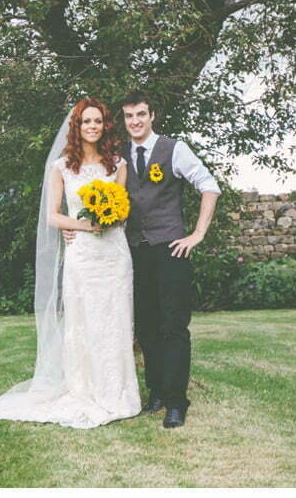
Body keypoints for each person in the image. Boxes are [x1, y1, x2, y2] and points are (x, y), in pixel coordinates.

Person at [0, 97, 141, 429]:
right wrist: (83, 225)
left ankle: (116, 392)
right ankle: (84, 390)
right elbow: (52, 216)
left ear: (105, 125)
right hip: (82, 255)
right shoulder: (62, 166)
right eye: (86, 121)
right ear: (76, 127)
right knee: (83, 323)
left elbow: (122, 211)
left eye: (97, 121)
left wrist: (109, 217)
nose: (92, 127)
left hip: (114, 255)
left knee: (115, 321)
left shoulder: (118, 164)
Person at [65, 91, 220, 429]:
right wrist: (74, 227)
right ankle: (157, 393)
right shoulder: (116, 157)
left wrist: (197, 234)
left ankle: (177, 402)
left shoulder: (174, 149)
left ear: (152, 116)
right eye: (129, 116)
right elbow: (93, 202)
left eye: (140, 114)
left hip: (171, 249)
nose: (134, 121)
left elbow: (209, 186)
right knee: (147, 327)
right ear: (123, 120)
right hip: (133, 251)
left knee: (173, 326)